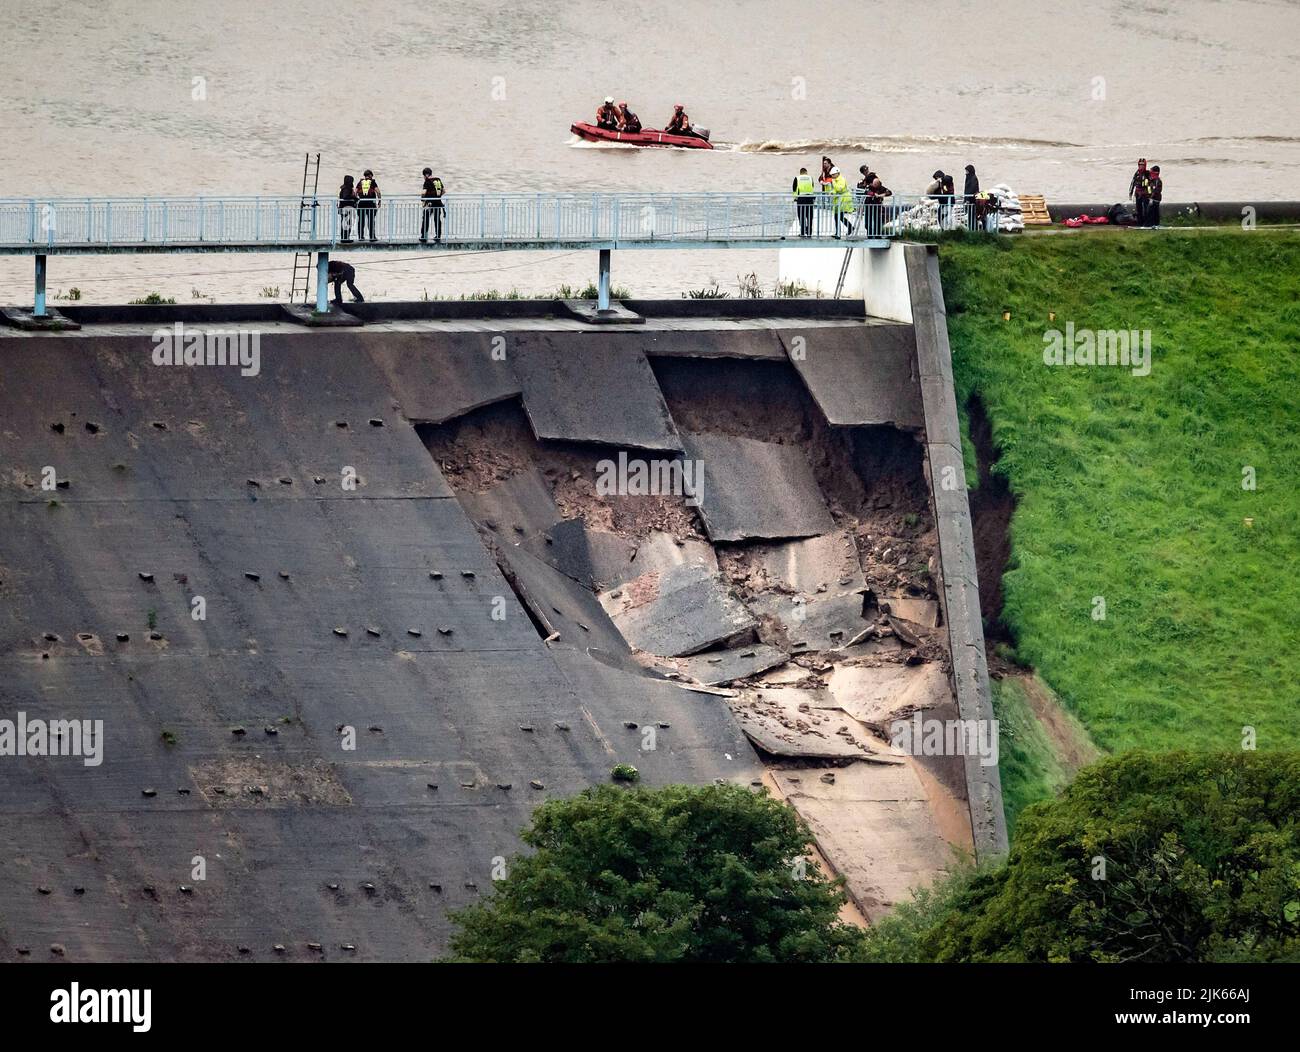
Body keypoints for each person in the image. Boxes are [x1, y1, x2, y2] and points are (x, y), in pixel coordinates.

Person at [825, 165, 855, 238]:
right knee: (838, 217)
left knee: (838, 216)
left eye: (833, 175)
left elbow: (840, 189)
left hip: (843, 200)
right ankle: (841, 231)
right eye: (832, 175)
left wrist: (833, 184)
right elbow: (836, 190)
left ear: (838, 173)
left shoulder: (841, 179)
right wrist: (831, 192)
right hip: (838, 200)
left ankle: (840, 232)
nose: (832, 176)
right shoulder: (835, 180)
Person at [420, 167, 445, 243]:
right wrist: (438, 197)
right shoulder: (438, 180)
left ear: (426, 175)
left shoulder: (427, 181)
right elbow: (443, 191)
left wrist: (423, 199)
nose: (424, 178)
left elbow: (424, 193)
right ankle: (438, 236)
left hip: (429, 204)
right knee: (437, 219)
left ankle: (424, 236)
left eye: (424, 176)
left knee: (426, 219)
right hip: (438, 203)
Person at [356, 169, 380, 242]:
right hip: (371, 205)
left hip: (361, 204)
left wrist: (356, 201)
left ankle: (361, 236)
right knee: (371, 221)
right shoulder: (373, 183)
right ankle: (372, 237)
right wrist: (379, 201)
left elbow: (355, 192)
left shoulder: (360, 182)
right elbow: (378, 192)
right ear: (370, 175)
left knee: (361, 221)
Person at [792, 166, 816, 237]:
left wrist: (795, 198)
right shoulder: (810, 178)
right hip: (810, 198)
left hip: (801, 199)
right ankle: (809, 233)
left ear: (800, 173)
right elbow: (812, 186)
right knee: (809, 216)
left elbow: (794, 189)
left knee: (801, 216)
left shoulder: (797, 178)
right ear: (806, 172)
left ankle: (802, 233)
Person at [1129, 158, 1151, 227]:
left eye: (1143, 165)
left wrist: (1150, 194)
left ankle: (1146, 223)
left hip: (1145, 194)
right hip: (1138, 194)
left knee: (1145, 209)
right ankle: (1139, 223)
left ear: (1145, 165)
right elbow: (1133, 183)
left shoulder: (1147, 173)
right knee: (1138, 209)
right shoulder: (1137, 173)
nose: (1141, 166)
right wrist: (1131, 192)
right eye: (1140, 165)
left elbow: (1151, 184)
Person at [337, 175, 357, 243]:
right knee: (347, 224)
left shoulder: (344, 188)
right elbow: (346, 196)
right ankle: (345, 238)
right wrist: (355, 198)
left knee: (345, 223)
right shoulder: (347, 188)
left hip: (345, 208)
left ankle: (344, 238)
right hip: (347, 208)